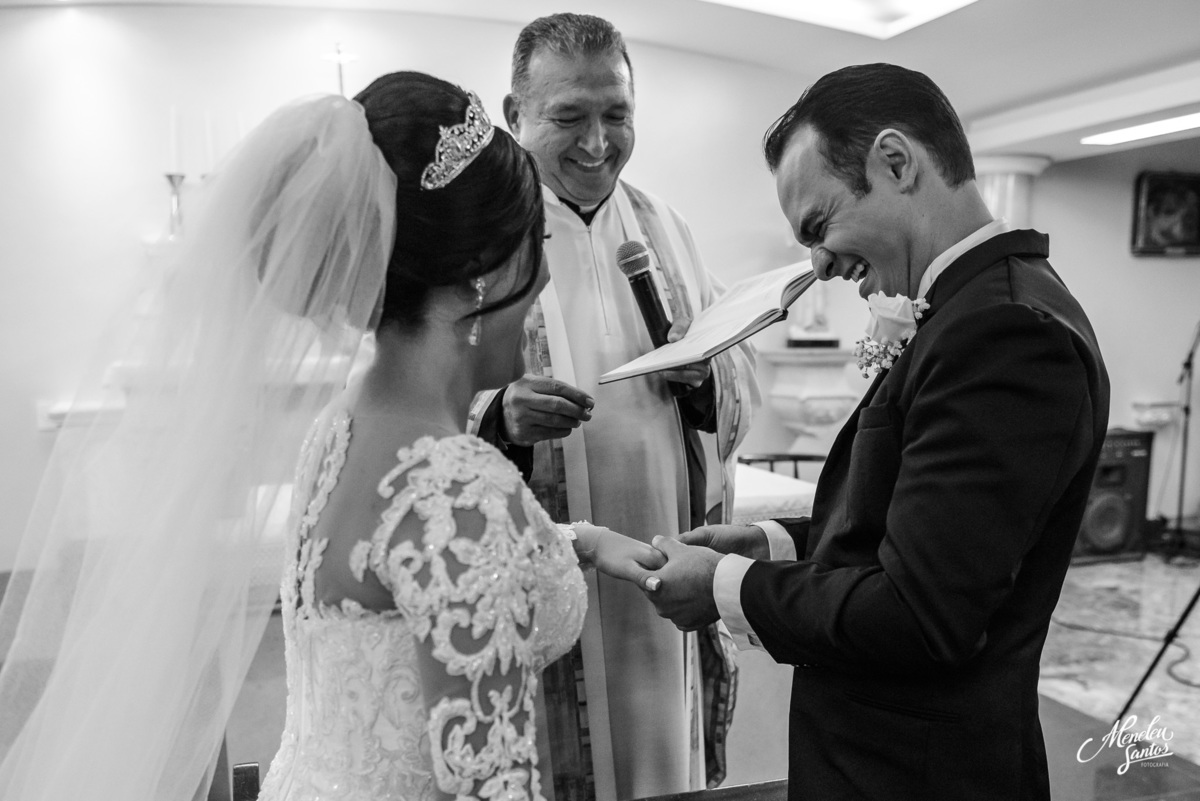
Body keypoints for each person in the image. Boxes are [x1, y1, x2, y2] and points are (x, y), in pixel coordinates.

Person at [0, 72, 662, 801]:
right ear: (486, 271)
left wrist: (581, 542)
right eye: (537, 246)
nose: (542, 285)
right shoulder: (461, 488)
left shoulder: (340, 427)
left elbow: (407, 568)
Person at [638, 63, 1111, 800]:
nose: (819, 263)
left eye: (819, 225)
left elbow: (920, 614)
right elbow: (919, 523)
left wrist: (728, 587)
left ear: (896, 162)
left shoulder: (1006, 333)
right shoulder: (968, 310)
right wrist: (774, 543)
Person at [465, 13, 759, 798]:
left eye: (617, 114)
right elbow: (412, 397)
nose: (598, 142)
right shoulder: (479, 238)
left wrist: (708, 383)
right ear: (515, 112)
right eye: (569, 116)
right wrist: (499, 415)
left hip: (660, 565)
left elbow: (739, 374)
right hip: (541, 578)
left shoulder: (667, 229)